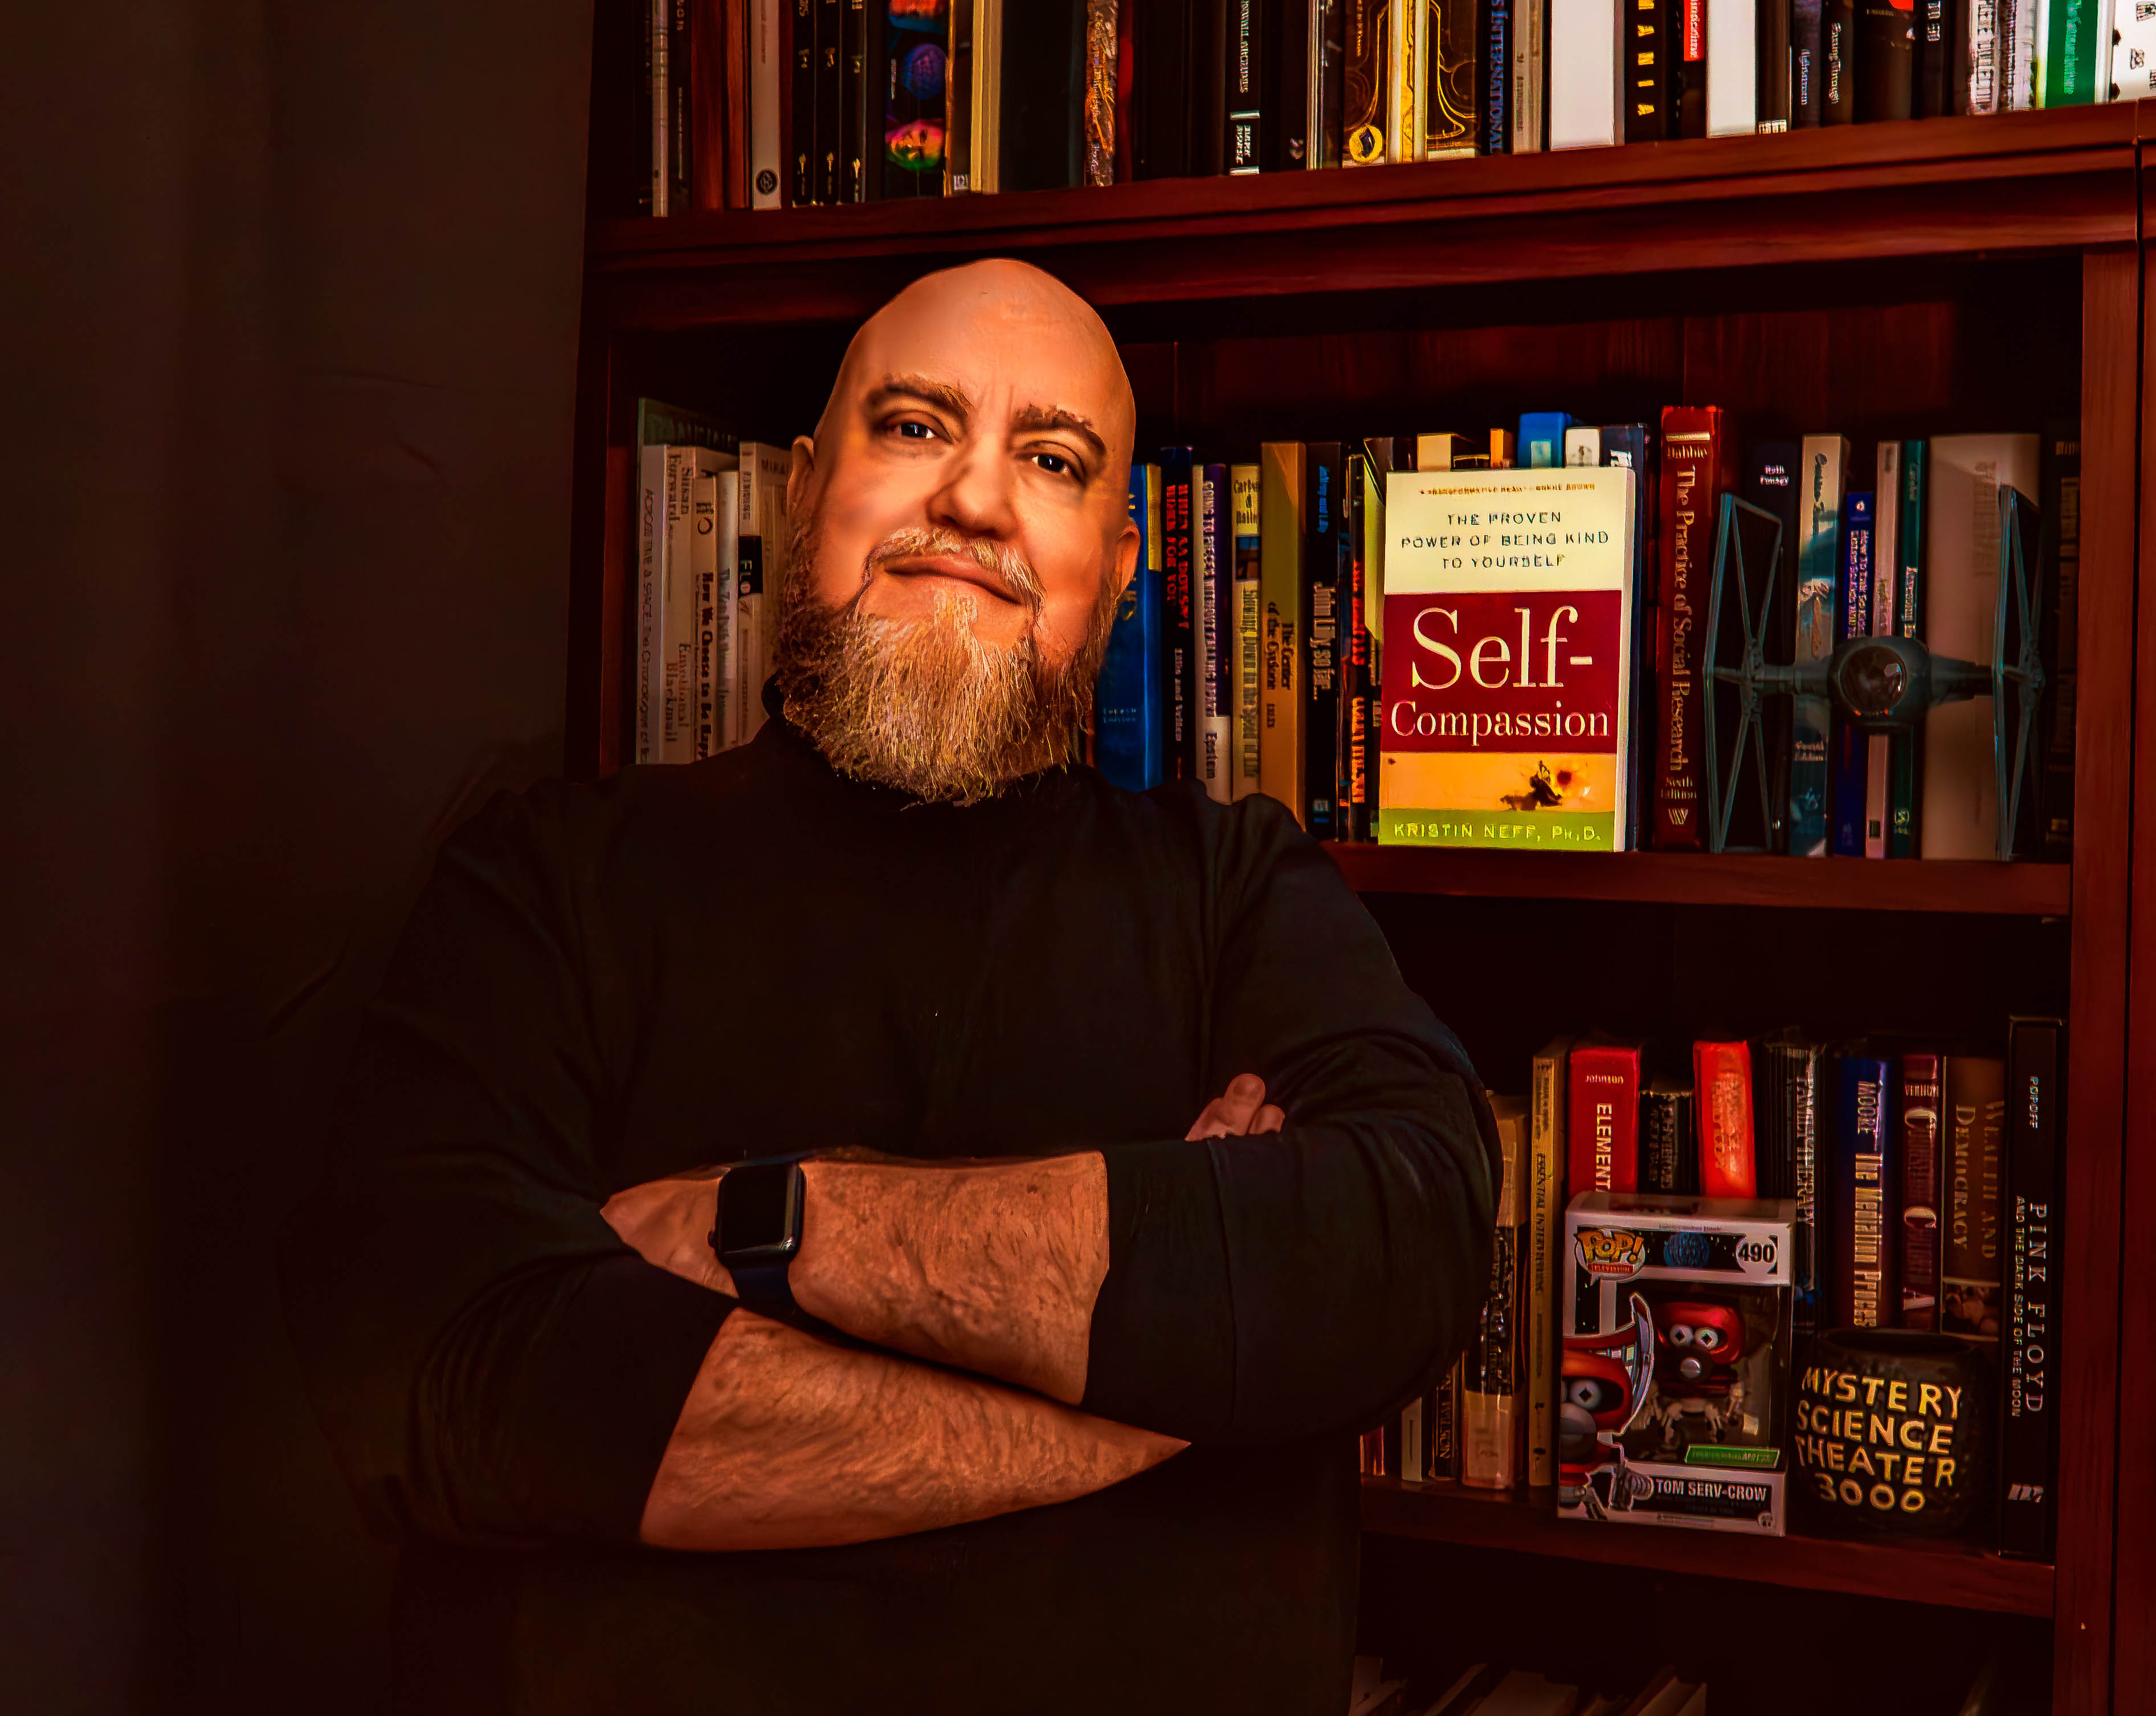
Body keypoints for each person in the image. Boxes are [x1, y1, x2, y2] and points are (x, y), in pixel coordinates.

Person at [281, 258, 1498, 1715]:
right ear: (804, 495)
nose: (974, 501)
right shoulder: (546, 878)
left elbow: (1398, 1247)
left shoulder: (1235, 887)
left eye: (1050, 461)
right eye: (915, 427)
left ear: (1114, 571)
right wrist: (1177, 1387)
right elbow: (445, 1382)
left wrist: (763, 1225)